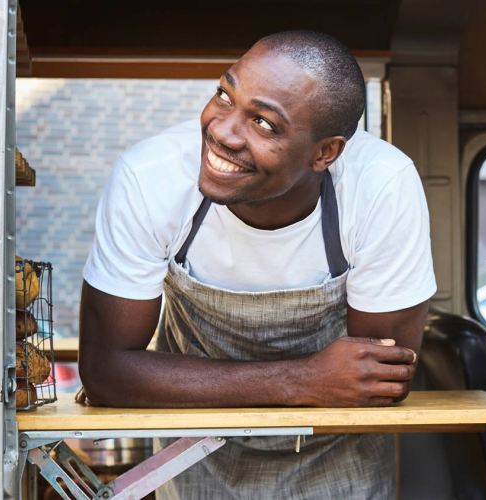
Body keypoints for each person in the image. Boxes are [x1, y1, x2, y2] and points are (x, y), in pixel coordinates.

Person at [79, 30, 436, 499]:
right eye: (224, 95)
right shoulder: (151, 176)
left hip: (337, 458)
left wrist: (174, 380)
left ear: (325, 153)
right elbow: (106, 372)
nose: (223, 131)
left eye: (265, 124)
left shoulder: (380, 187)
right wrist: (304, 378)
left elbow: (379, 380)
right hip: (193, 452)